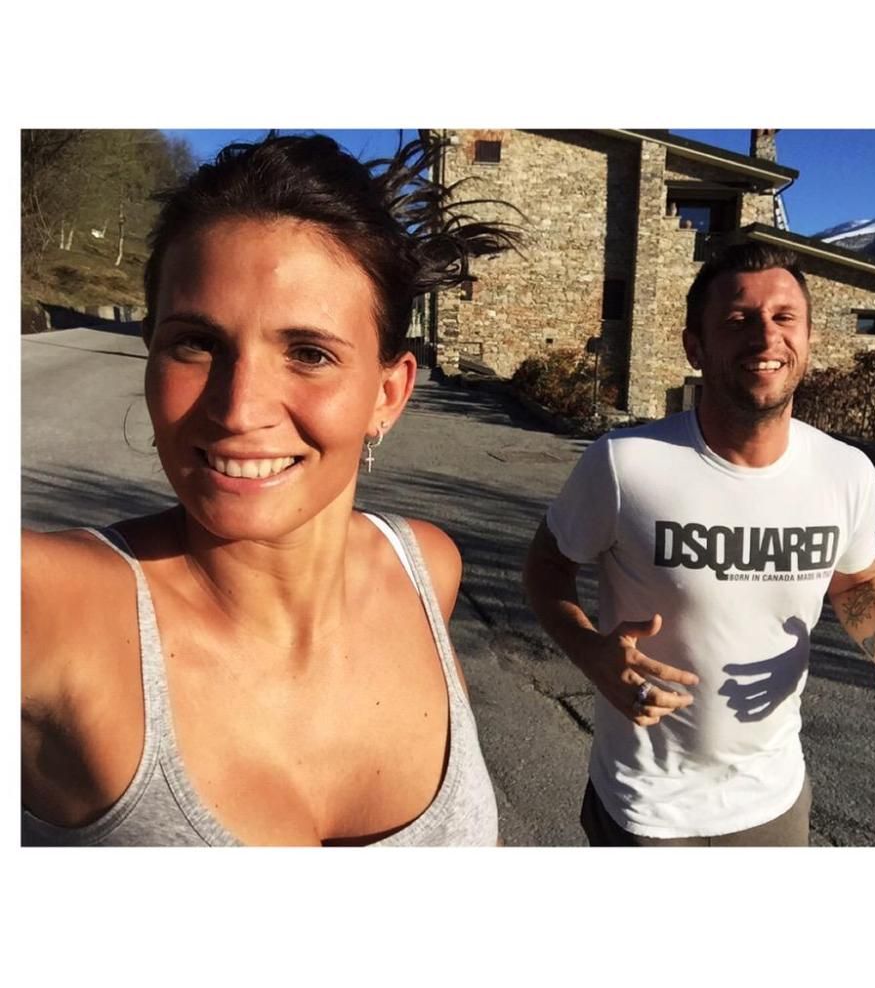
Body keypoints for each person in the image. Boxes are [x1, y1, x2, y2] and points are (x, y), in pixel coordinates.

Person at [21, 133, 522, 846]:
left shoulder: (425, 570)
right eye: (196, 343)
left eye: (309, 353)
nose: (238, 409)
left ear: (388, 393)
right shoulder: (57, 610)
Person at [523, 242, 875, 846]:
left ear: (808, 339)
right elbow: (546, 566)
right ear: (695, 346)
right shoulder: (626, 464)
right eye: (739, 319)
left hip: (774, 800)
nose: (766, 336)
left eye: (785, 317)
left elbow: (854, 583)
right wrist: (588, 650)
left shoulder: (846, 473)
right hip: (646, 806)